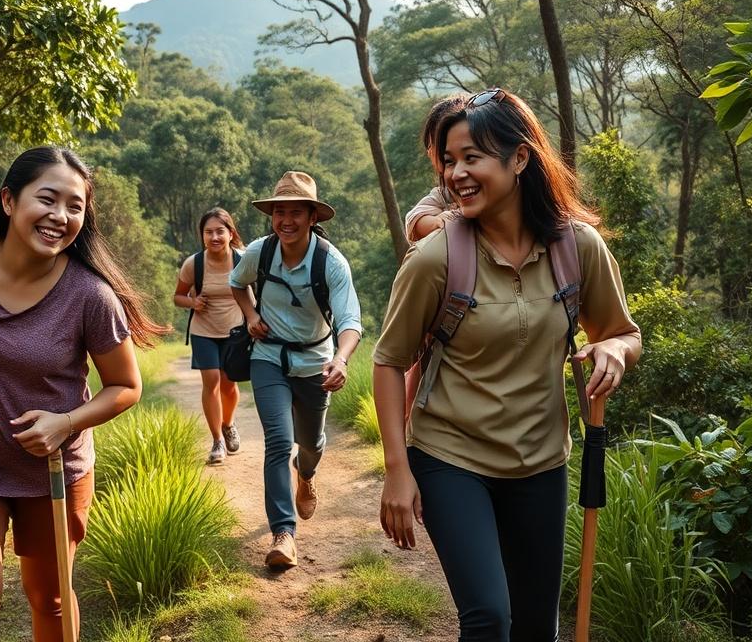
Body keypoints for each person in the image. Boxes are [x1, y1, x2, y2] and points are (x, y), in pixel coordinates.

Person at [373, 89, 642, 641]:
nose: (456, 174)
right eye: (449, 161)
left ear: (520, 159)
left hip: (541, 461)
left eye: (472, 157)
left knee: (536, 625)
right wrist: (398, 471)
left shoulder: (578, 247)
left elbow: (622, 332)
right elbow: (388, 361)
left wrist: (613, 350)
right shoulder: (435, 259)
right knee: (489, 617)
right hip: (451, 456)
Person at [0, 146, 166, 642]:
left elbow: (127, 386)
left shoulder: (90, 296)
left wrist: (64, 423)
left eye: (75, 206)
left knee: (53, 599)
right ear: (8, 200)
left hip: (53, 471)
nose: (60, 216)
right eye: (48, 199)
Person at [229, 171, 362, 569]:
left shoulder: (330, 263)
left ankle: (306, 475)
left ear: (311, 217)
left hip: (314, 364)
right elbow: (237, 282)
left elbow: (350, 320)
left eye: (295, 212)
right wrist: (251, 314)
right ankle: (283, 534)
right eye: (279, 212)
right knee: (277, 441)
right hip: (267, 357)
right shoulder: (260, 252)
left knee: (311, 442)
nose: (286, 220)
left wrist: (340, 359)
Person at [174, 207, 246, 464]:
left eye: (219, 231)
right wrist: (193, 303)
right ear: (202, 235)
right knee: (212, 381)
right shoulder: (194, 264)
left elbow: (257, 294)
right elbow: (178, 297)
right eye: (208, 232)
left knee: (229, 384)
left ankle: (228, 424)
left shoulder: (243, 260)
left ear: (230, 233)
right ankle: (217, 440)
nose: (214, 237)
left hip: (235, 332)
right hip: (203, 331)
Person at [404, 94, 468, 242]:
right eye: (440, 144)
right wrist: (437, 222)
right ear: (431, 154)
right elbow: (414, 219)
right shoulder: (444, 195)